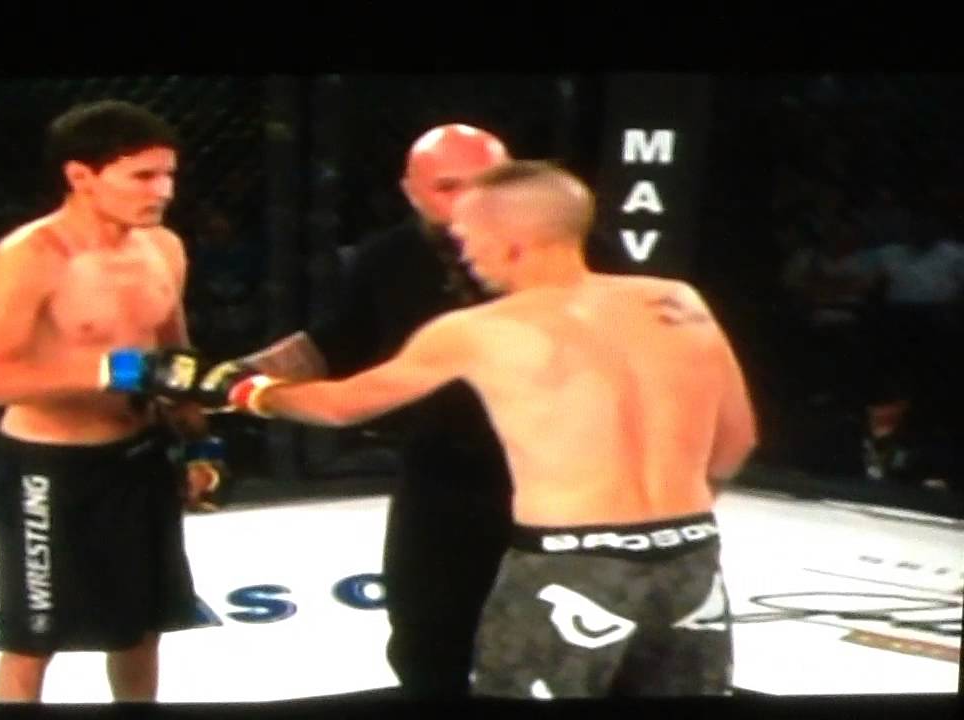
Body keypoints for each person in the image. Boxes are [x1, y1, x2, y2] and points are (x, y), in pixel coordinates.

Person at [134, 159, 757, 698]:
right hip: (691, 561)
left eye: (468, 235)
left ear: (511, 240)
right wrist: (664, 519)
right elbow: (739, 438)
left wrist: (243, 390)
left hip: (571, 569)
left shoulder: (479, 330)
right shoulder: (677, 301)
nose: (464, 252)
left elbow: (341, 406)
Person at [0, 99, 222, 703]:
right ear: (81, 176)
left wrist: (199, 442)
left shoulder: (163, 247)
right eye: (143, 176)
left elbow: (175, 360)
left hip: (139, 457)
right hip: (51, 468)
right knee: (32, 642)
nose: (164, 191)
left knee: (142, 629)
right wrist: (116, 370)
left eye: (169, 174)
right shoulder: (29, 257)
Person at [239, 124, 515, 698]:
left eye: (488, 183)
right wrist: (233, 379)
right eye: (448, 187)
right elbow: (340, 342)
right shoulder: (389, 258)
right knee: (424, 638)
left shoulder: (574, 257)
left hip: (556, 479)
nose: (471, 202)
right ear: (410, 191)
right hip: (441, 469)